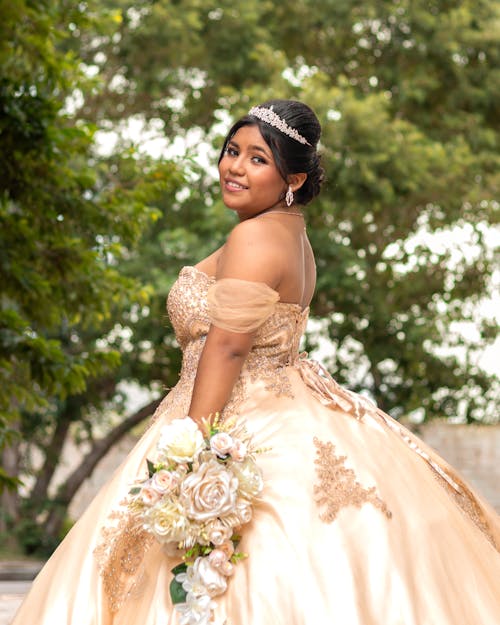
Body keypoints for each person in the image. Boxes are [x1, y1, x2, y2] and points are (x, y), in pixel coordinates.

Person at [11, 99, 500, 625]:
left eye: (257, 159)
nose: (234, 167)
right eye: (231, 151)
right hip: (282, 403)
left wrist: (191, 458)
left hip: (233, 423)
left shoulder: (256, 235)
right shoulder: (293, 234)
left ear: (292, 177)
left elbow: (227, 347)